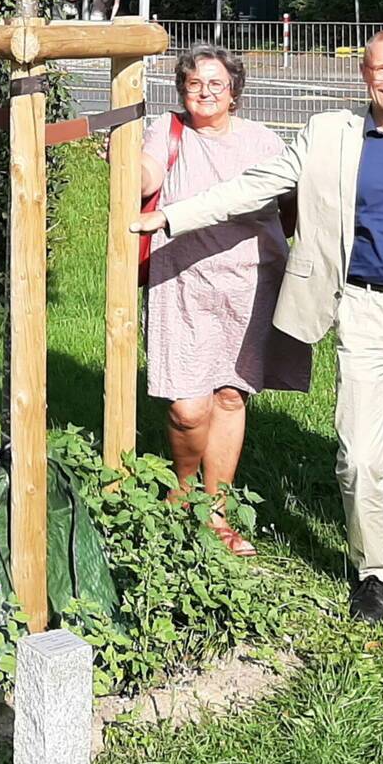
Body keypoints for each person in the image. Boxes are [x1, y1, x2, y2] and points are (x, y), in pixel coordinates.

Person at [134, 28, 383, 622]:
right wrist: (170, 217)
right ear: (365, 74)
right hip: (364, 307)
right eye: (381, 70)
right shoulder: (330, 134)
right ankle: (373, 571)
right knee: (359, 457)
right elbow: (254, 187)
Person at [139, 44, 310, 556]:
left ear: (234, 91)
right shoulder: (165, 133)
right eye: (194, 83)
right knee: (188, 407)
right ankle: (183, 488)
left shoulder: (262, 141)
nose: (205, 93)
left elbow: (294, 200)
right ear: (181, 89)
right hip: (182, 283)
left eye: (216, 84)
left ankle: (215, 510)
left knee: (231, 395)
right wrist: (125, 166)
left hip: (247, 285)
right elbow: (147, 173)